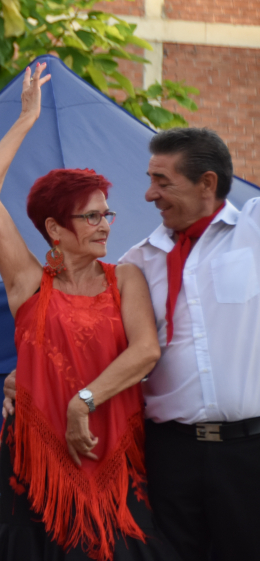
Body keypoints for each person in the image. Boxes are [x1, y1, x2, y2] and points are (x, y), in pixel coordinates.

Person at [0, 64, 169, 561]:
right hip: (38, 464)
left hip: (111, 454)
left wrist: (83, 400)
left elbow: (146, 351)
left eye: (107, 213)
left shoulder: (125, 279)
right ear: (56, 229)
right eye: (92, 215)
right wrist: (25, 121)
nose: (106, 225)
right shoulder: (28, 284)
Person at [117, 128, 260, 559]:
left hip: (249, 452)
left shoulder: (254, 230)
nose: (149, 194)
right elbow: (97, 344)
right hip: (170, 455)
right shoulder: (135, 263)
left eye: (163, 181)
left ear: (208, 183)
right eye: (150, 179)